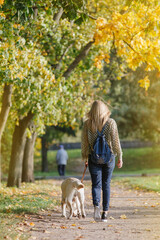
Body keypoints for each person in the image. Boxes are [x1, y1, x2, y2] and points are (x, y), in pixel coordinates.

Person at [81, 100, 123, 222]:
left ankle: (96, 207)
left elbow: (85, 143)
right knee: (106, 184)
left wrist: (85, 157)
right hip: (108, 158)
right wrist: (119, 156)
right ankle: (105, 213)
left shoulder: (87, 124)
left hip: (93, 157)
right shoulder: (110, 123)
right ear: (104, 109)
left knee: (96, 184)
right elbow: (115, 142)